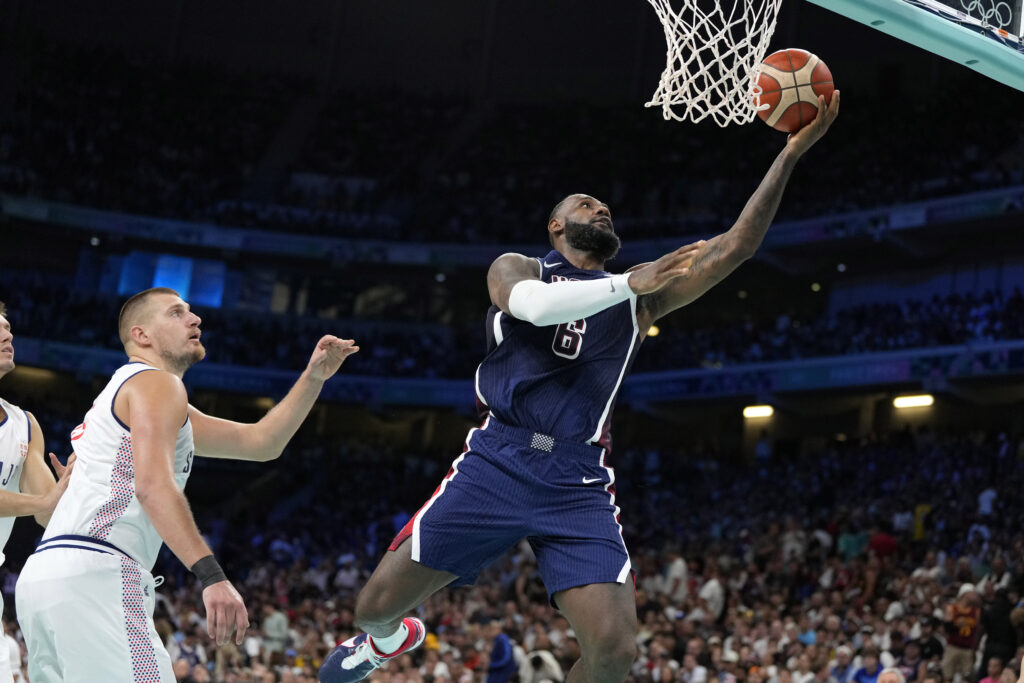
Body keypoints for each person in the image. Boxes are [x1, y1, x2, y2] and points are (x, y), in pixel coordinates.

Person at [320, 93, 841, 683]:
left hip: (577, 479)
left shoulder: (640, 297)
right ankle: (391, 641)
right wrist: (627, 283)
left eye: (605, 207)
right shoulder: (519, 268)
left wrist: (791, 154)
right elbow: (535, 309)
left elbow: (735, 248)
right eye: (587, 205)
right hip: (498, 459)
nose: (602, 209)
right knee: (372, 609)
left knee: (617, 652)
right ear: (555, 225)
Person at [16, 287, 358, 682]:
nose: (195, 320)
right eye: (177, 313)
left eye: (191, 312)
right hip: (99, 573)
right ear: (142, 335)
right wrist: (213, 576)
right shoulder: (156, 384)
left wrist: (313, 377)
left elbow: (261, 443)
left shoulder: (132, 392)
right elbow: (153, 485)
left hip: (45, 578)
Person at [0, 301, 72, 683]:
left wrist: (70, 486)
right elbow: (39, 504)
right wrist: (43, 501)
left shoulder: (23, 424)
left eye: (8, 328)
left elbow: (47, 513)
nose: (8, 334)